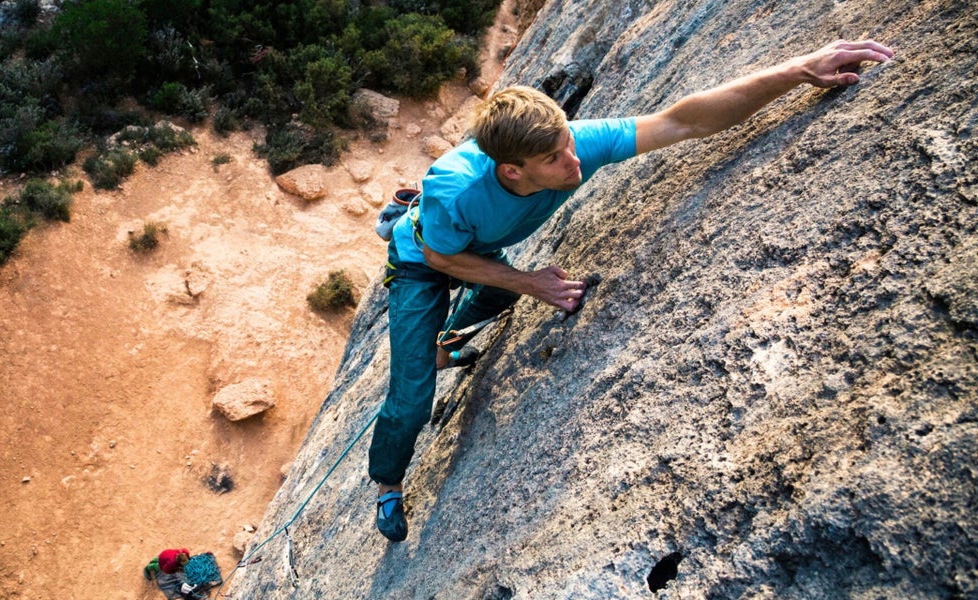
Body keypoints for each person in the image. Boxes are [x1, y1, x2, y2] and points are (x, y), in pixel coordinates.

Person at [369, 40, 894, 542]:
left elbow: (683, 120)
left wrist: (799, 70)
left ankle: (442, 342)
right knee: (413, 395)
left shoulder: (573, 145)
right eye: (554, 159)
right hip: (423, 260)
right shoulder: (458, 191)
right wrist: (530, 282)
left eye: (568, 142)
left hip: (473, 248)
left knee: (497, 295)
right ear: (513, 170)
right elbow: (440, 257)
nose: (574, 162)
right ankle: (387, 483)